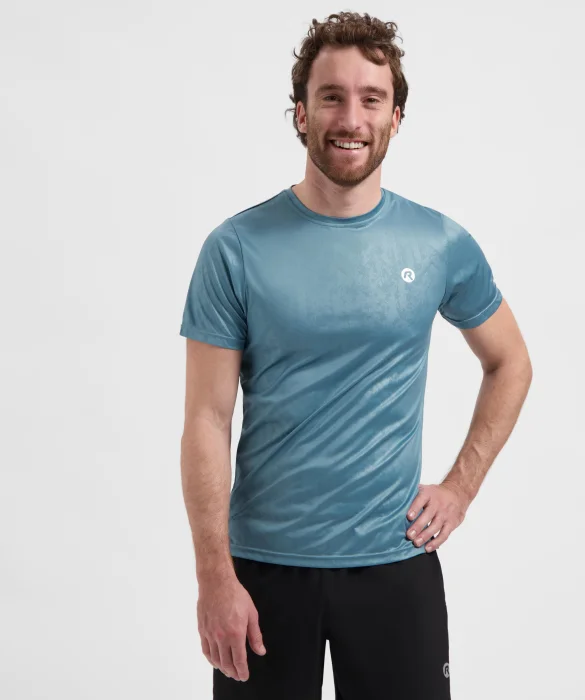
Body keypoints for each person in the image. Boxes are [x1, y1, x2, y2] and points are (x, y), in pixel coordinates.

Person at [179, 11, 532, 700]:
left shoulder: (439, 243)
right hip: (264, 573)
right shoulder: (235, 249)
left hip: (395, 567)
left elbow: (510, 362)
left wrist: (459, 488)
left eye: (371, 99)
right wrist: (214, 577)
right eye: (331, 96)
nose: (351, 117)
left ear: (395, 118)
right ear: (301, 113)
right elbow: (206, 420)